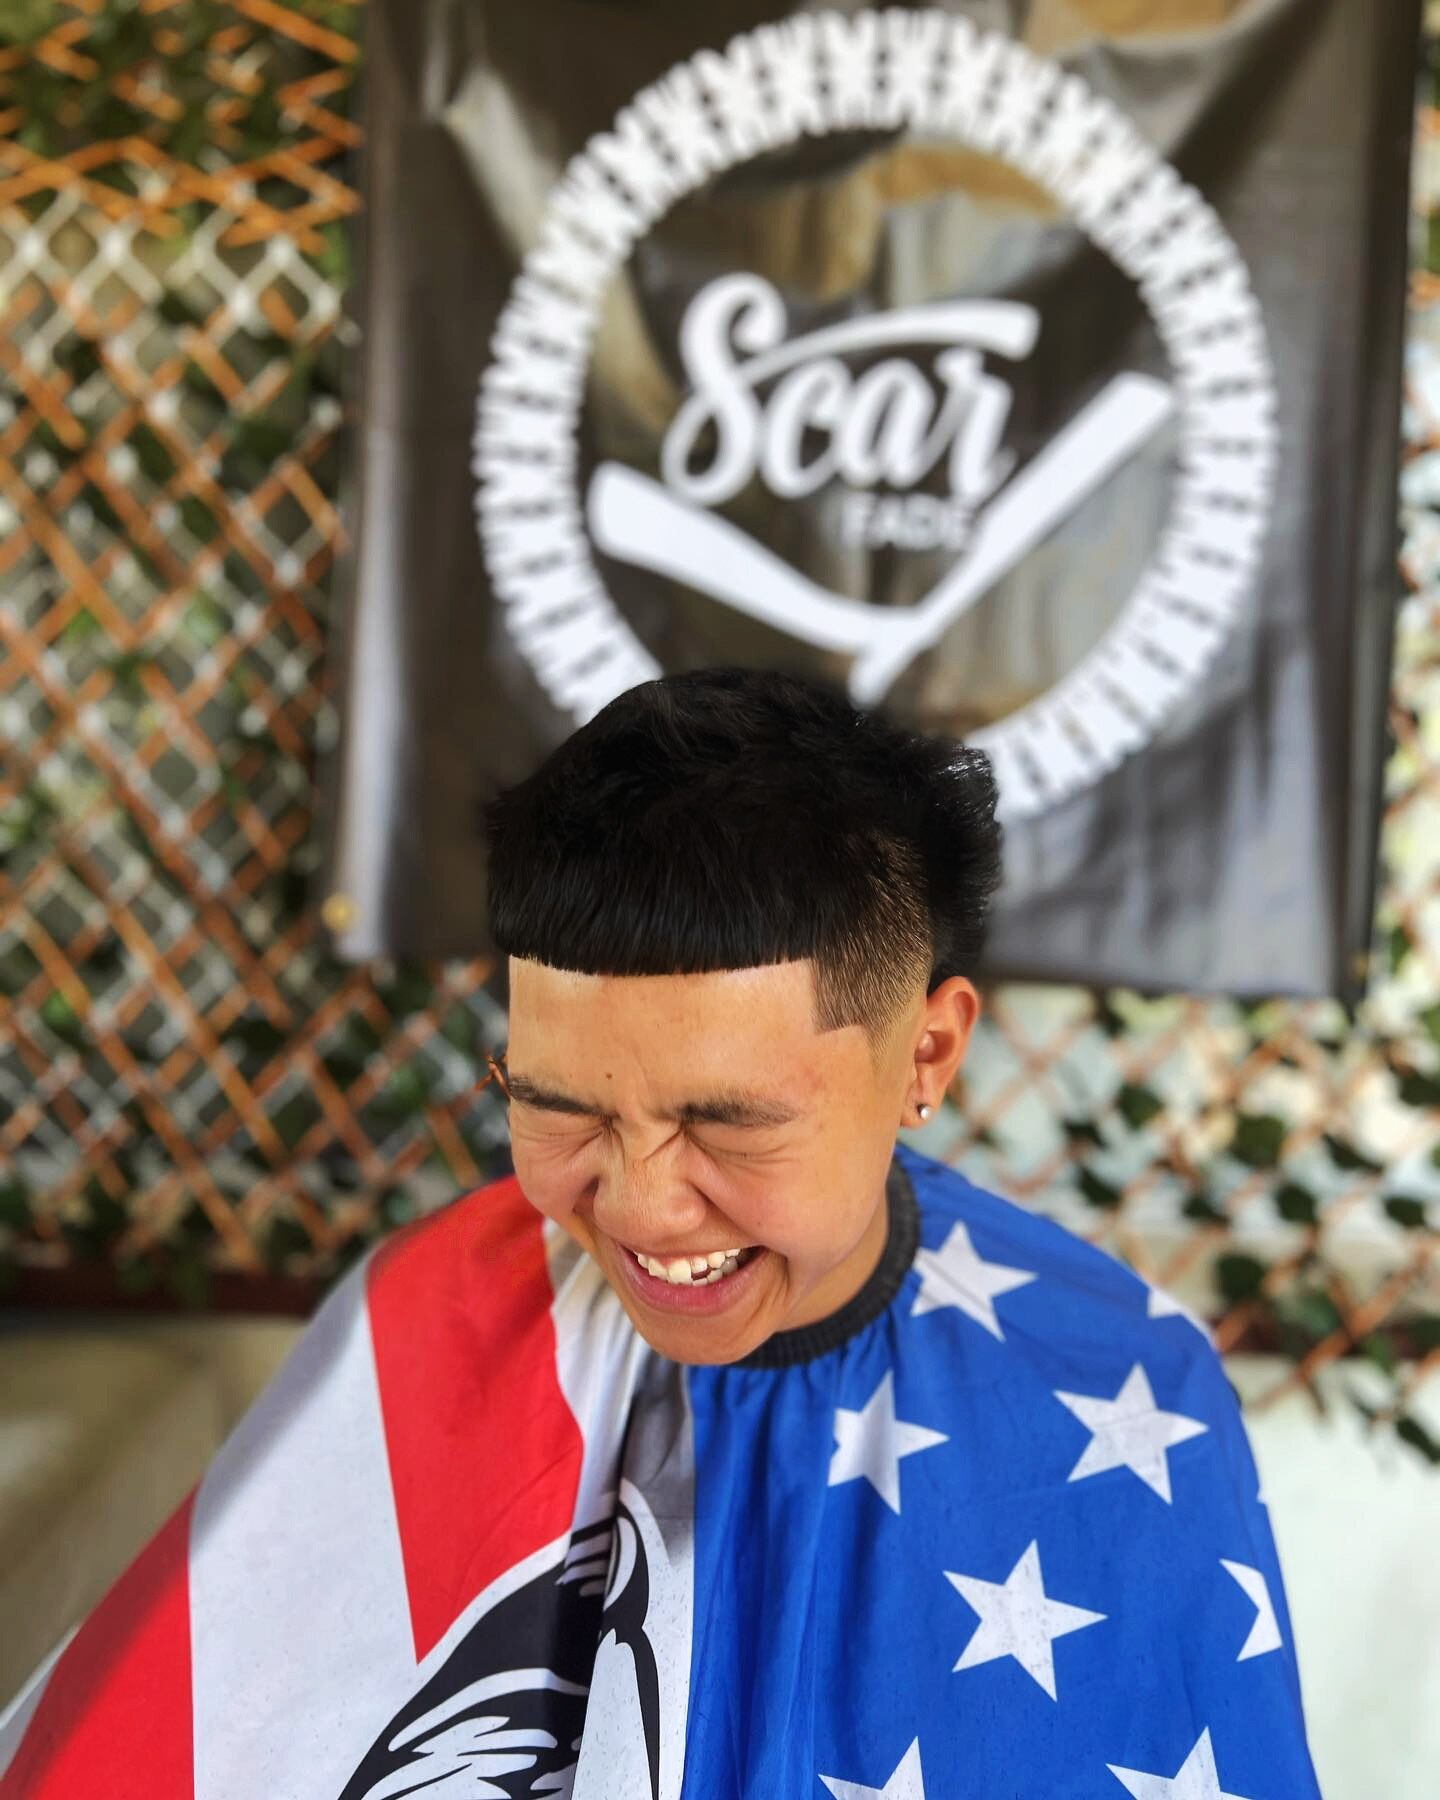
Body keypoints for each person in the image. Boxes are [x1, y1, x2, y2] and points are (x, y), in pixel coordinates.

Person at [0, 667, 1321, 1799]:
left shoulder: (1125, 1380)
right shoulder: (428, 1314)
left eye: (729, 1124)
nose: (633, 1207)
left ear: (926, 1050)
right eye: (556, 1108)